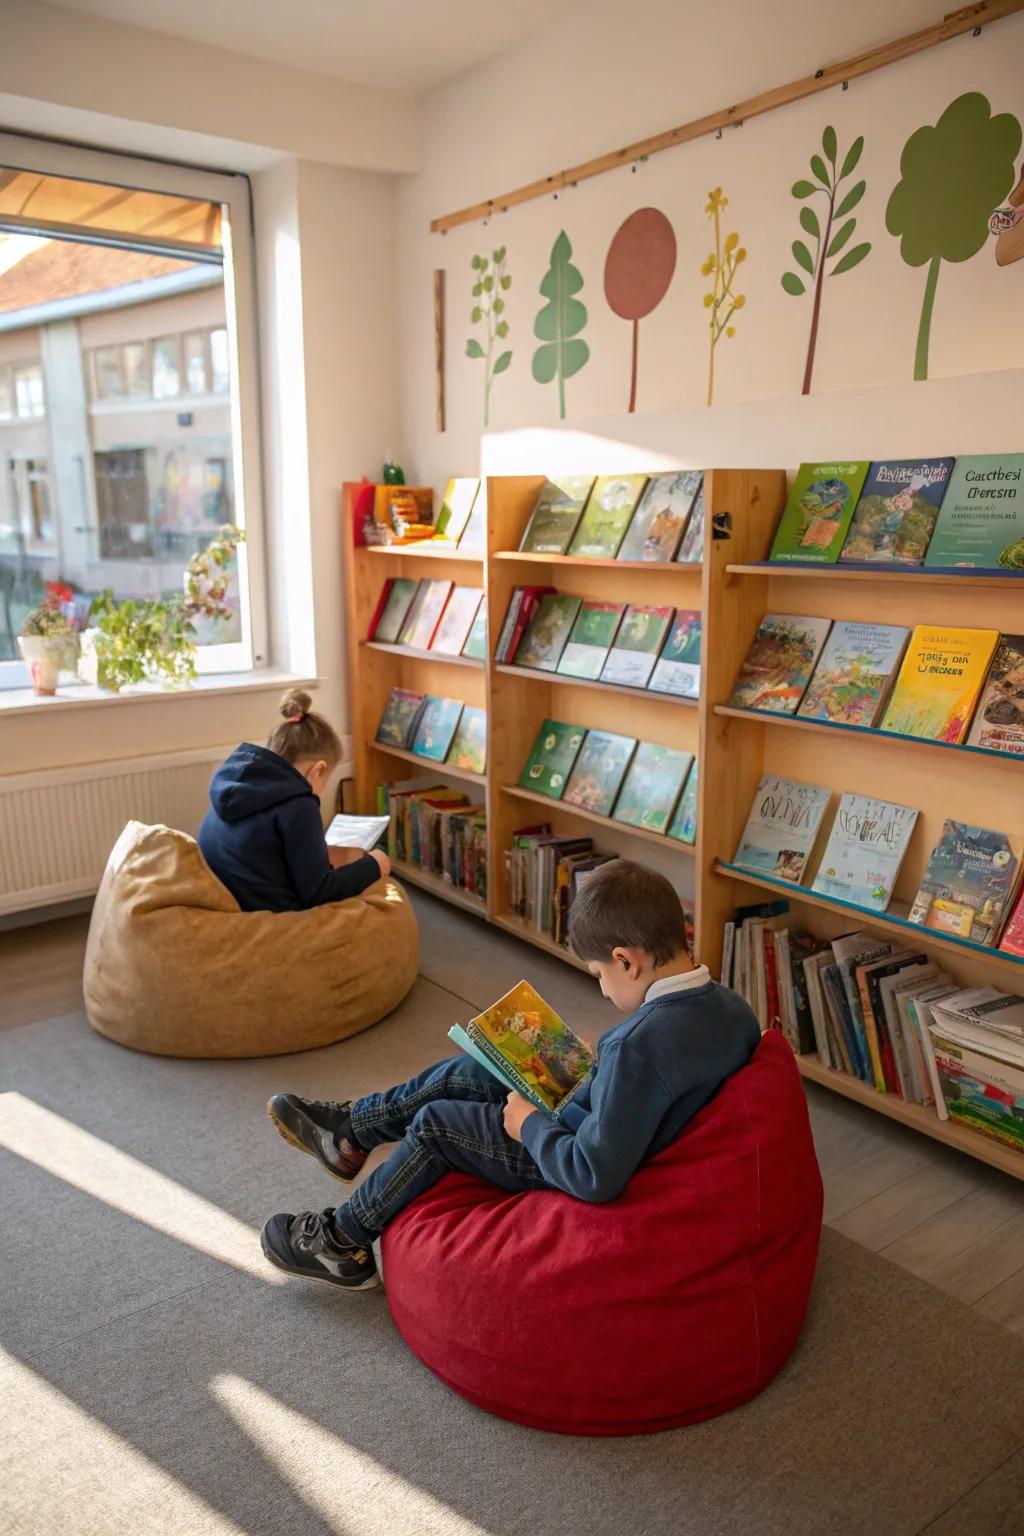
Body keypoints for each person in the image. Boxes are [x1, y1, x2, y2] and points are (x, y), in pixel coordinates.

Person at [259, 859, 761, 1292]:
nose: (603, 990)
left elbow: (594, 1174)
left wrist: (528, 1126)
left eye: (598, 975)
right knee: (478, 1067)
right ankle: (353, 1132)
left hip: (571, 1155)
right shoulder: (733, 1008)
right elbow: (663, 1078)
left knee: (437, 1125)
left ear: (626, 960)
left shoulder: (635, 1046)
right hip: (610, 1117)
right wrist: (597, 1068)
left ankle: (343, 1241)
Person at [198, 688, 389, 914]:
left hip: (227, 894)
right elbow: (319, 892)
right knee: (385, 898)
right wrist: (375, 864)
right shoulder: (299, 805)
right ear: (318, 770)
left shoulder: (235, 782)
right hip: (267, 911)